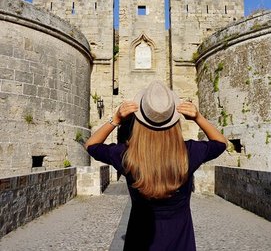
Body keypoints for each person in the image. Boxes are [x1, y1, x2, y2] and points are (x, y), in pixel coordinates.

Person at [85, 80, 227, 251]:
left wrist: (115, 119)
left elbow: (91, 145)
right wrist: (197, 117)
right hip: (180, 244)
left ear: (139, 120)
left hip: (139, 242)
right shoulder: (189, 153)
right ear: (174, 120)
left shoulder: (127, 156)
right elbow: (221, 142)